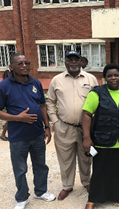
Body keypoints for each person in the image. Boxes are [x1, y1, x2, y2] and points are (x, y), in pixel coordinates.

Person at [0, 53, 56, 209]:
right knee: (20, 169)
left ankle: (41, 191)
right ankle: (22, 197)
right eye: (20, 63)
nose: (24, 66)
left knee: (40, 165)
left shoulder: (35, 83)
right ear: (11, 67)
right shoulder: (4, 86)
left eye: (26, 63)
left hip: (38, 134)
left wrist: (47, 126)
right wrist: (17, 118)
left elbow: (42, 105)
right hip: (18, 137)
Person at [82, 63, 119, 209]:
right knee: (100, 170)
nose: (114, 78)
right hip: (102, 140)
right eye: (110, 76)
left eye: (116, 75)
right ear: (104, 78)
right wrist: (86, 138)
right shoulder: (97, 92)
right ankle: (93, 198)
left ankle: (115, 194)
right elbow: (87, 114)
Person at [45, 50, 98, 200]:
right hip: (64, 127)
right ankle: (67, 186)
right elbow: (50, 101)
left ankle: (86, 181)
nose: (73, 62)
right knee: (65, 158)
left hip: (85, 128)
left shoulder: (91, 79)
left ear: (81, 62)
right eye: (70, 59)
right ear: (65, 62)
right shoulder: (56, 80)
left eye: (76, 59)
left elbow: (98, 101)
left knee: (86, 156)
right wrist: (55, 121)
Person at [0, 67, 12, 141]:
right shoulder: (5, 85)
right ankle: (3, 134)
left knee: (10, 119)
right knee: (10, 119)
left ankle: (3, 134)